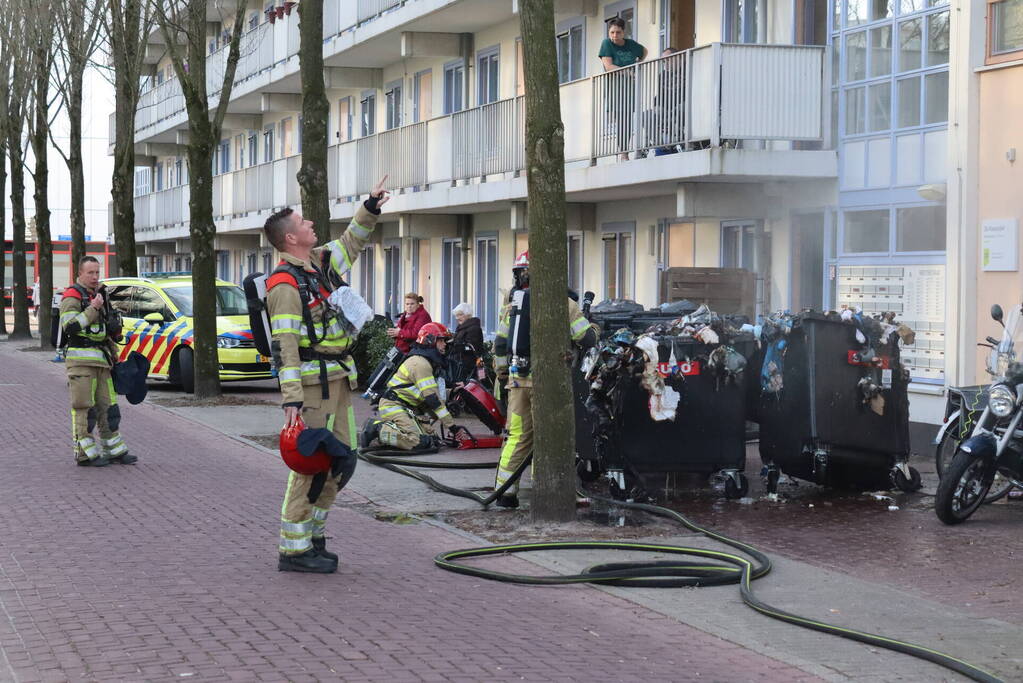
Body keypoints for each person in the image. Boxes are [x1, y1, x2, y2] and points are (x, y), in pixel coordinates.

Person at [265, 175, 390, 574]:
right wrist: (291, 400)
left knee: (342, 460)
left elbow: (352, 241)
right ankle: (295, 549)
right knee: (310, 463)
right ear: (290, 239)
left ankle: (314, 535)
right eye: (303, 224)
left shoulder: (319, 264)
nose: (311, 225)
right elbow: (285, 344)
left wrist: (370, 206)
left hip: (337, 378)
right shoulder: (285, 284)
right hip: (311, 385)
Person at [492, 251, 598, 508]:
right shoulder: (564, 304)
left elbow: (500, 345)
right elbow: (587, 339)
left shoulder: (512, 308)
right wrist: (593, 326)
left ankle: (504, 493)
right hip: (547, 386)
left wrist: (504, 377)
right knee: (550, 437)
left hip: (517, 385)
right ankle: (548, 493)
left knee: (517, 437)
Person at [59, 256, 136, 467]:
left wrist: (114, 344)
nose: (95, 277)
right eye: (90, 273)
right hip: (81, 363)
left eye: (97, 272)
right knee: (84, 408)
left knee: (109, 407)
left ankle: (114, 450)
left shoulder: (101, 295)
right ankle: (85, 455)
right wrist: (93, 308)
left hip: (103, 363)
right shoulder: (72, 296)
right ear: (80, 274)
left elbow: (104, 331)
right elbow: (70, 326)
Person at [361, 322, 468, 450]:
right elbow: (433, 401)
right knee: (415, 440)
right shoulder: (421, 364)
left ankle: (392, 431)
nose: (445, 344)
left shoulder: (427, 362)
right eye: (441, 340)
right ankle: (376, 429)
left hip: (408, 407)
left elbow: (426, 392)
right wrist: (452, 427)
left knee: (431, 439)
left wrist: (452, 391)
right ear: (430, 341)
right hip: (394, 406)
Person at [598, 17, 647, 161]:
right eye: (612, 32)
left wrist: (638, 62)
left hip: (630, 88)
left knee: (627, 118)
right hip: (615, 88)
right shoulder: (606, 43)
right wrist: (629, 71)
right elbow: (608, 66)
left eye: (618, 32)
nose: (614, 36)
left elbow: (644, 51)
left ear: (624, 32)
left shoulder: (631, 44)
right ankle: (623, 153)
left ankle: (625, 151)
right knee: (620, 118)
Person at [653, 48, 682, 156]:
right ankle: (663, 145)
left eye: (668, 60)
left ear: (678, 57)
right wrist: (657, 104)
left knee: (676, 110)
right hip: (667, 107)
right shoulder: (663, 75)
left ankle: (671, 143)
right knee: (647, 115)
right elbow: (660, 95)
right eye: (664, 61)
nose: (666, 63)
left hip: (681, 104)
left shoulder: (688, 69)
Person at [449, 302, 484, 384]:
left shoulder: (474, 329)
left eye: (460, 315)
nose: (457, 318)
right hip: (464, 365)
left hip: (470, 366)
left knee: (471, 386)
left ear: (468, 314)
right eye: (456, 315)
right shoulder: (462, 327)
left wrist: (455, 345)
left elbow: (472, 348)